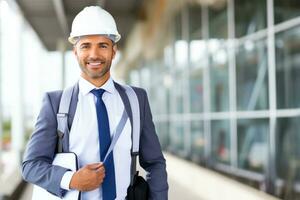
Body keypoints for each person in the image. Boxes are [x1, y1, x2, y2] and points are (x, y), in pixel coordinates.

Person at [22, 6, 168, 200]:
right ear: (75, 52)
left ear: (114, 51)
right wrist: (71, 179)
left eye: (102, 45)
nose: (94, 54)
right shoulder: (55, 103)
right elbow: (30, 165)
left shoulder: (136, 99)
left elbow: (155, 162)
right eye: (86, 46)